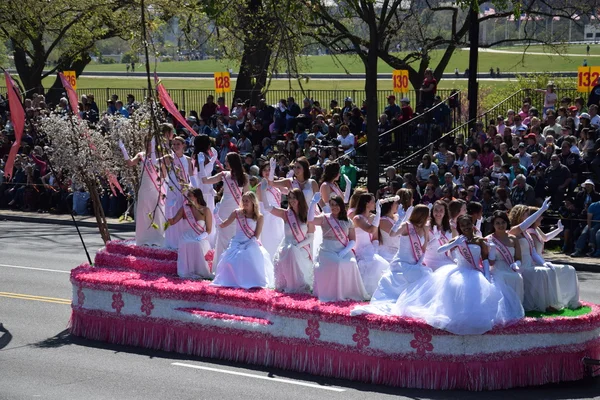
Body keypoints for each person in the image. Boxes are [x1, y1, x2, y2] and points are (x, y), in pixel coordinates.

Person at [393, 215, 524, 335]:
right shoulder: (458, 239)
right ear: (459, 228)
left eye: (468, 224)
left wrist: (486, 275)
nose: (466, 227)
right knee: (456, 287)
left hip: (475, 272)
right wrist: (455, 243)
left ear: (472, 225)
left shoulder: (480, 240)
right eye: (463, 225)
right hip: (459, 271)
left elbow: (484, 260)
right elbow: (440, 250)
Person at [309, 194, 368, 302]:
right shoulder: (324, 217)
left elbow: (352, 240)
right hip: (327, 250)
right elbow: (310, 220)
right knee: (337, 263)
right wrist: (313, 204)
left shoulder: (348, 221)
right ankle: (333, 293)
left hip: (343, 250)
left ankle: (347, 292)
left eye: (337, 205)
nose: (334, 207)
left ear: (341, 205)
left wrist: (344, 251)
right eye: (332, 205)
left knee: (351, 263)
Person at [212, 191, 274, 289]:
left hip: (250, 242)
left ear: (253, 202)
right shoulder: (237, 212)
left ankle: (249, 281)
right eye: (243, 200)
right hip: (236, 242)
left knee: (248, 257)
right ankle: (232, 281)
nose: (244, 203)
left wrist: (247, 244)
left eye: (247, 201)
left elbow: (256, 235)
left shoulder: (260, 216)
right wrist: (215, 215)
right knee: (230, 259)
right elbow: (223, 225)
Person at [508, 201, 561, 312]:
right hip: (521, 266)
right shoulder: (514, 230)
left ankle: (548, 303)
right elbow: (525, 224)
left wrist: (543, 263)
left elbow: (533, 253)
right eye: (526, 214)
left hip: (530, 264)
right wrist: (541, 210)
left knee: (548, 270)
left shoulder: (527, 233)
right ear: (519, 215)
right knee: (541, 273)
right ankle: (540, 305)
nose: (529, 217)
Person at [261, 185, 314, 293]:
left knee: (292, 251)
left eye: (294, 197)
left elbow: (311, 237)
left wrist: (297, 246)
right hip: (286, 246)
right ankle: (290, 285)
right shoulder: (286, 214)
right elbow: (267, 207)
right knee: (289, 251)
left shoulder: (307, 215)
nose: (292, 200)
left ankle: (298, 285)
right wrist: (262, 191)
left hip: (302, 247)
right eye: (290, 198)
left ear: (300, 199)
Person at [526, 207, 580, 309]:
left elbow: (545, 238)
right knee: (554, 271)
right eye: (539, 215)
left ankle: (570, 300)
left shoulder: (536, 229)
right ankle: (552, 303)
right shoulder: (529, 232)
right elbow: (533, 253)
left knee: (570, 269)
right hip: (535, 263)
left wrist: (559, 229)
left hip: (542, 262)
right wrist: (543, 263)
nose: (542, 217)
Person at [203, 152, 249, 267]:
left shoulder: (244, 177)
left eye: (227, 161)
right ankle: (220, 266)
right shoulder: (223, 174)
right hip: (223, 210)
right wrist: (204, 165)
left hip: (237, 210)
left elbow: (247, 195)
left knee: (234, 237)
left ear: (233, 162)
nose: (225, 163)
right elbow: (205, 180)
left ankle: (233, 265)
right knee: (222, 236)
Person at [119, 135, 165, 247]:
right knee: (144, 213)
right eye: (147, 142)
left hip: (155, 187)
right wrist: (123, 148)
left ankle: (157, 238)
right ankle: (144, 238)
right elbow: (130, 163)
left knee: (157, 213)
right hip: (144, 188)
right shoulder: (141, 155)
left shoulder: (160, 156)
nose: (149, 145)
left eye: (151, 143)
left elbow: (163, 173)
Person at [167, 188, 213, 279]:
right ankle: (186, 272)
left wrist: (202, 236)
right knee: (186, 244)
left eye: (189, 195)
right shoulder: (185, 209)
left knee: (197, 244)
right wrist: (169, 209)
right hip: (186, 237)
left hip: (200, 237)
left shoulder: (205, 210)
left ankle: (200, 271)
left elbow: (209, 229)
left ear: (196, 197)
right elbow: (172, 222)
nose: (187, 197)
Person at [352, 193, 391, 296]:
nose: (375, 204)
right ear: (366, 203)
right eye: (373, 201)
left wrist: (375, 248)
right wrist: (378, 214)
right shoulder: (357, 218)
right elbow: (371, 230)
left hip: (370, 249)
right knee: (374, 263)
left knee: (382, 263)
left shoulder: (372, 217)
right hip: (360, 250)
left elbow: (375, 236)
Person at [161, 136, 193, 250]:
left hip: (184, 190)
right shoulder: (169, 158)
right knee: (172, 212)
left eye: (178, 144)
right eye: (173, 144)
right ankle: (172, 241)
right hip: (173, 189)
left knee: (183, 213)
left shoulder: (188, 159)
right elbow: (157, 164)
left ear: (183, 145)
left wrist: (192, 190)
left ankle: (182, 240)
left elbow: (191, 176)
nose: (175, 146)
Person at [487, 210, 525, 303]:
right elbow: (489, 262)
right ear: (493, 225)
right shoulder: (488, 239)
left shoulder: (513, 238)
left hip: (510, 266)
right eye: (498, 223)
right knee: (502, 277)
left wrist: (516, 264)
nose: (501, 225)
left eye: (503, 222)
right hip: (496, 268)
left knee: (517, 277)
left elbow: (519, 258)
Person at [257, 160, 285, 260]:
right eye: (265, 170)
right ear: (261, 172)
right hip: (267, 217)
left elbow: (287, 191)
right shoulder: (260, 186)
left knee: (279, 239)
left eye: (269, 169)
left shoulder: (276, 184)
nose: (267, 171)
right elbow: (260, 204)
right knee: (269, 240)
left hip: (279, 215)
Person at [423, 200, 455, 271]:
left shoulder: (450, 227)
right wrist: (435, 239)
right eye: (436, 210)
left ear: (445, 212)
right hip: (431, 261)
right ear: (432, 211)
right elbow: (424, 247)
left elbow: (452, 246)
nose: (438, 213)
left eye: (441, 210)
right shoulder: (426, 226)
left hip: (446, 260)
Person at [377, 195, 401, 263]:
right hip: (388, 253)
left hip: (399, 249)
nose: (398, 205)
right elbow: (396, 233)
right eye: (396, 203)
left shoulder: (397, 216)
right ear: (390, 205)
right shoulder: (383, 220)